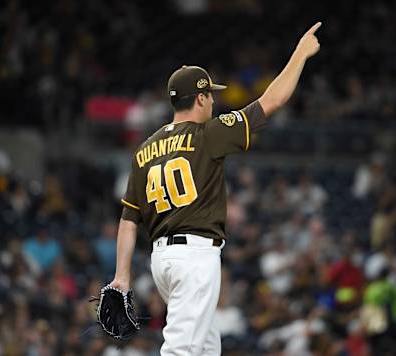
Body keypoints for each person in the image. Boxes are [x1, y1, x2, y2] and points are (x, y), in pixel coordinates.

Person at [107, 21, 322, 355]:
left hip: (162, 260)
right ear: (201, 97)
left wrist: (122, 276)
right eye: (211, 95)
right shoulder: (207, 134)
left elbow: (128, 220)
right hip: (194, 257)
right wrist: (301, 54)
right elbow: (274, 99)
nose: (213, 102)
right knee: (181, 351)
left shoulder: (146, 148)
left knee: (207, 346)